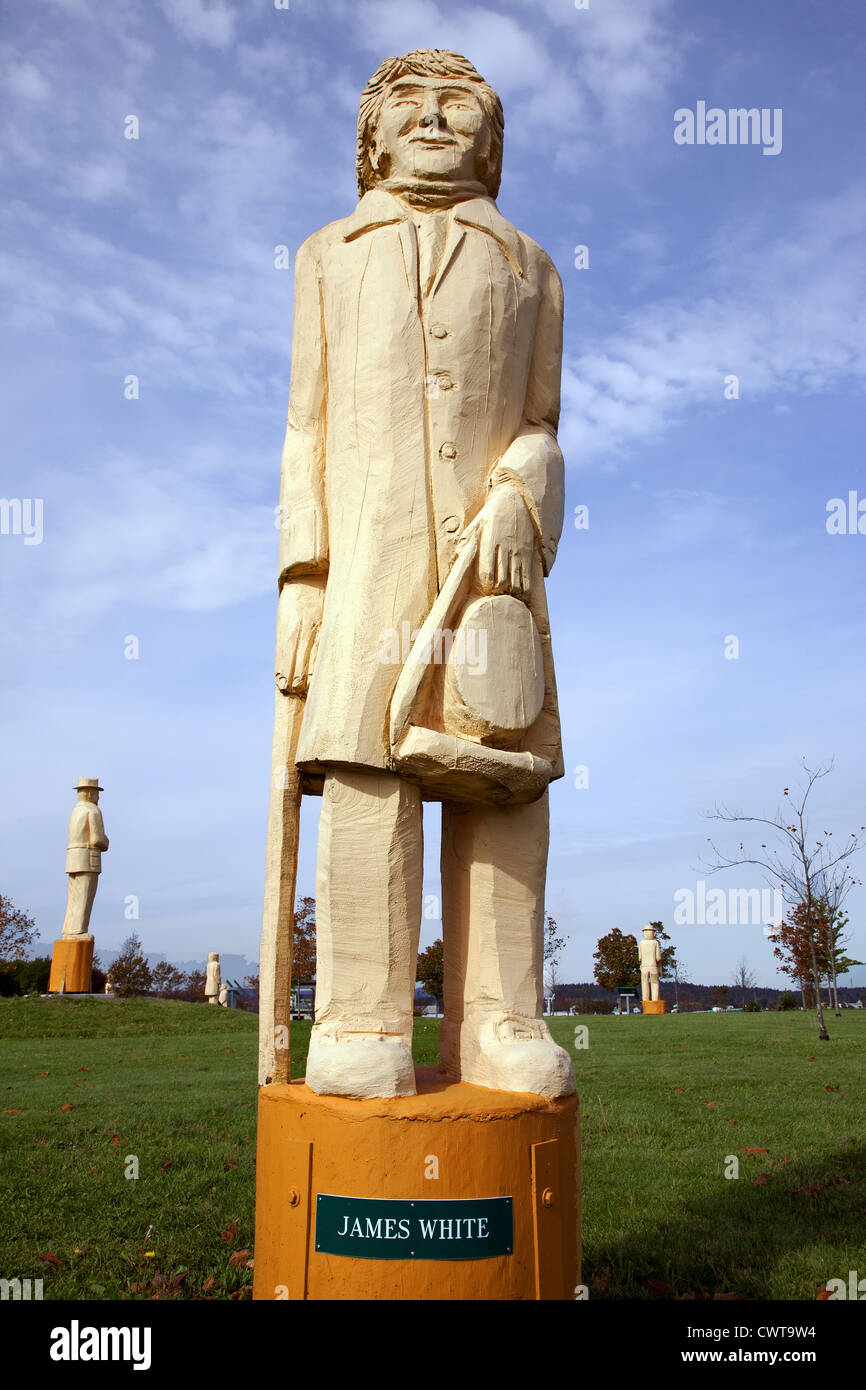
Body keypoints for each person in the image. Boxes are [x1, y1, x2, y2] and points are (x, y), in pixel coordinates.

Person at [275, 50, 573, 1100]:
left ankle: (497, 1019)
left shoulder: (530, 266)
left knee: (500, 780)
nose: (435, 120)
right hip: (369, 555)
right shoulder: (326, 255)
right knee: (367, 768)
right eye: (410, 106)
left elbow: (540, 425)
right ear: (372, 137)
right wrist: (301, 578)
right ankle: (361, 1018)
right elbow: (305, 427)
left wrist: (519, 493)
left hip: (489, 575)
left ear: (490, 141)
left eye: (460, 108)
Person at [61, 778, 108, 939]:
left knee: (73, 895)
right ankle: (78, 930)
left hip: (73, 856)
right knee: (84, 894)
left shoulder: (75, 811)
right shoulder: (93, 811)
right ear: (90, 793)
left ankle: (69, 928)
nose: (98, 798)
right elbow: (97, 839)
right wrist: (106, 841)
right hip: (88, 857)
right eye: (96, 794)